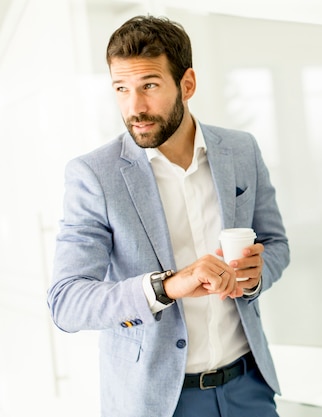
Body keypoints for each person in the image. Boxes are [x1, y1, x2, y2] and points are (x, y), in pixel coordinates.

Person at [47, 15, 289, 417]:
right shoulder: (94, 175)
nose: (134, 107)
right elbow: (67, 301)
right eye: (121, 89)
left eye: (150, 86)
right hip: (158, 401)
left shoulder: (241, 150)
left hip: (249, 387)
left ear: (187, 84)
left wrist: (256, 275)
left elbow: (277, 244)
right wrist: (167, 287)